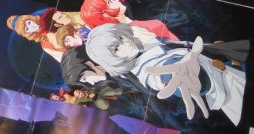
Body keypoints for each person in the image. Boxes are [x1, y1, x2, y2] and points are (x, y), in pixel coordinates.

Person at [86, 23, 248, 125]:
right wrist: (193, 79)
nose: (125, 43)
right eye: (116, 48)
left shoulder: (149, 48)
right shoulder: (147, 71)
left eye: (121, 37)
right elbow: (164, 73)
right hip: (231, 89)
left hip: (230, 75)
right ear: (110, 60)